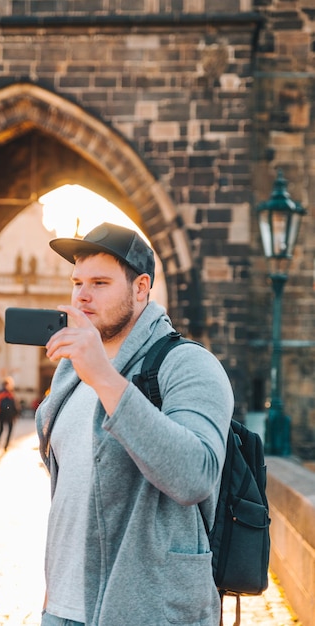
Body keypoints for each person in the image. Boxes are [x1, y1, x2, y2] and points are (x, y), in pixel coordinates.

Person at [36, 222, 234, 626]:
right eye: (77, 282)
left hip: (149, 609)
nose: (83, 295)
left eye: (100, 282)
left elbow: (195, 475)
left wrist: (105, 378)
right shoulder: (70, 372)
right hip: (63, 608)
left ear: (141, 288)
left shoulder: (188, 365)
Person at [0, 376, 19, 451]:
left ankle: (0, 444)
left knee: (2, 429)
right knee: (7, 430)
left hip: (2, 415)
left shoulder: (0, 394)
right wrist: (16, 414)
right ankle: (4, 445)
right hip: (7, 415)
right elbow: (15, 405)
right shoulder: (9, 394)